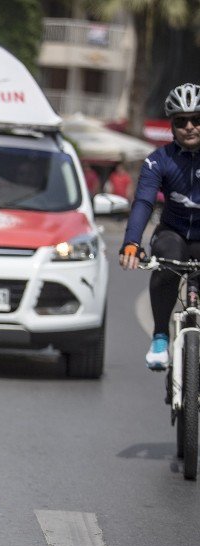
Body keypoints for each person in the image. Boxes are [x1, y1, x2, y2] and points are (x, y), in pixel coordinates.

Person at [119, 83, 200, 370]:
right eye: (181, 122)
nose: (190, 127)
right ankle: (160, 337)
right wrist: (131, 242)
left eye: (196, 119)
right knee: (167, 257)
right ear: (172, 126)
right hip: (174, 233)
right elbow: (143, 202)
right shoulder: (158, 161)